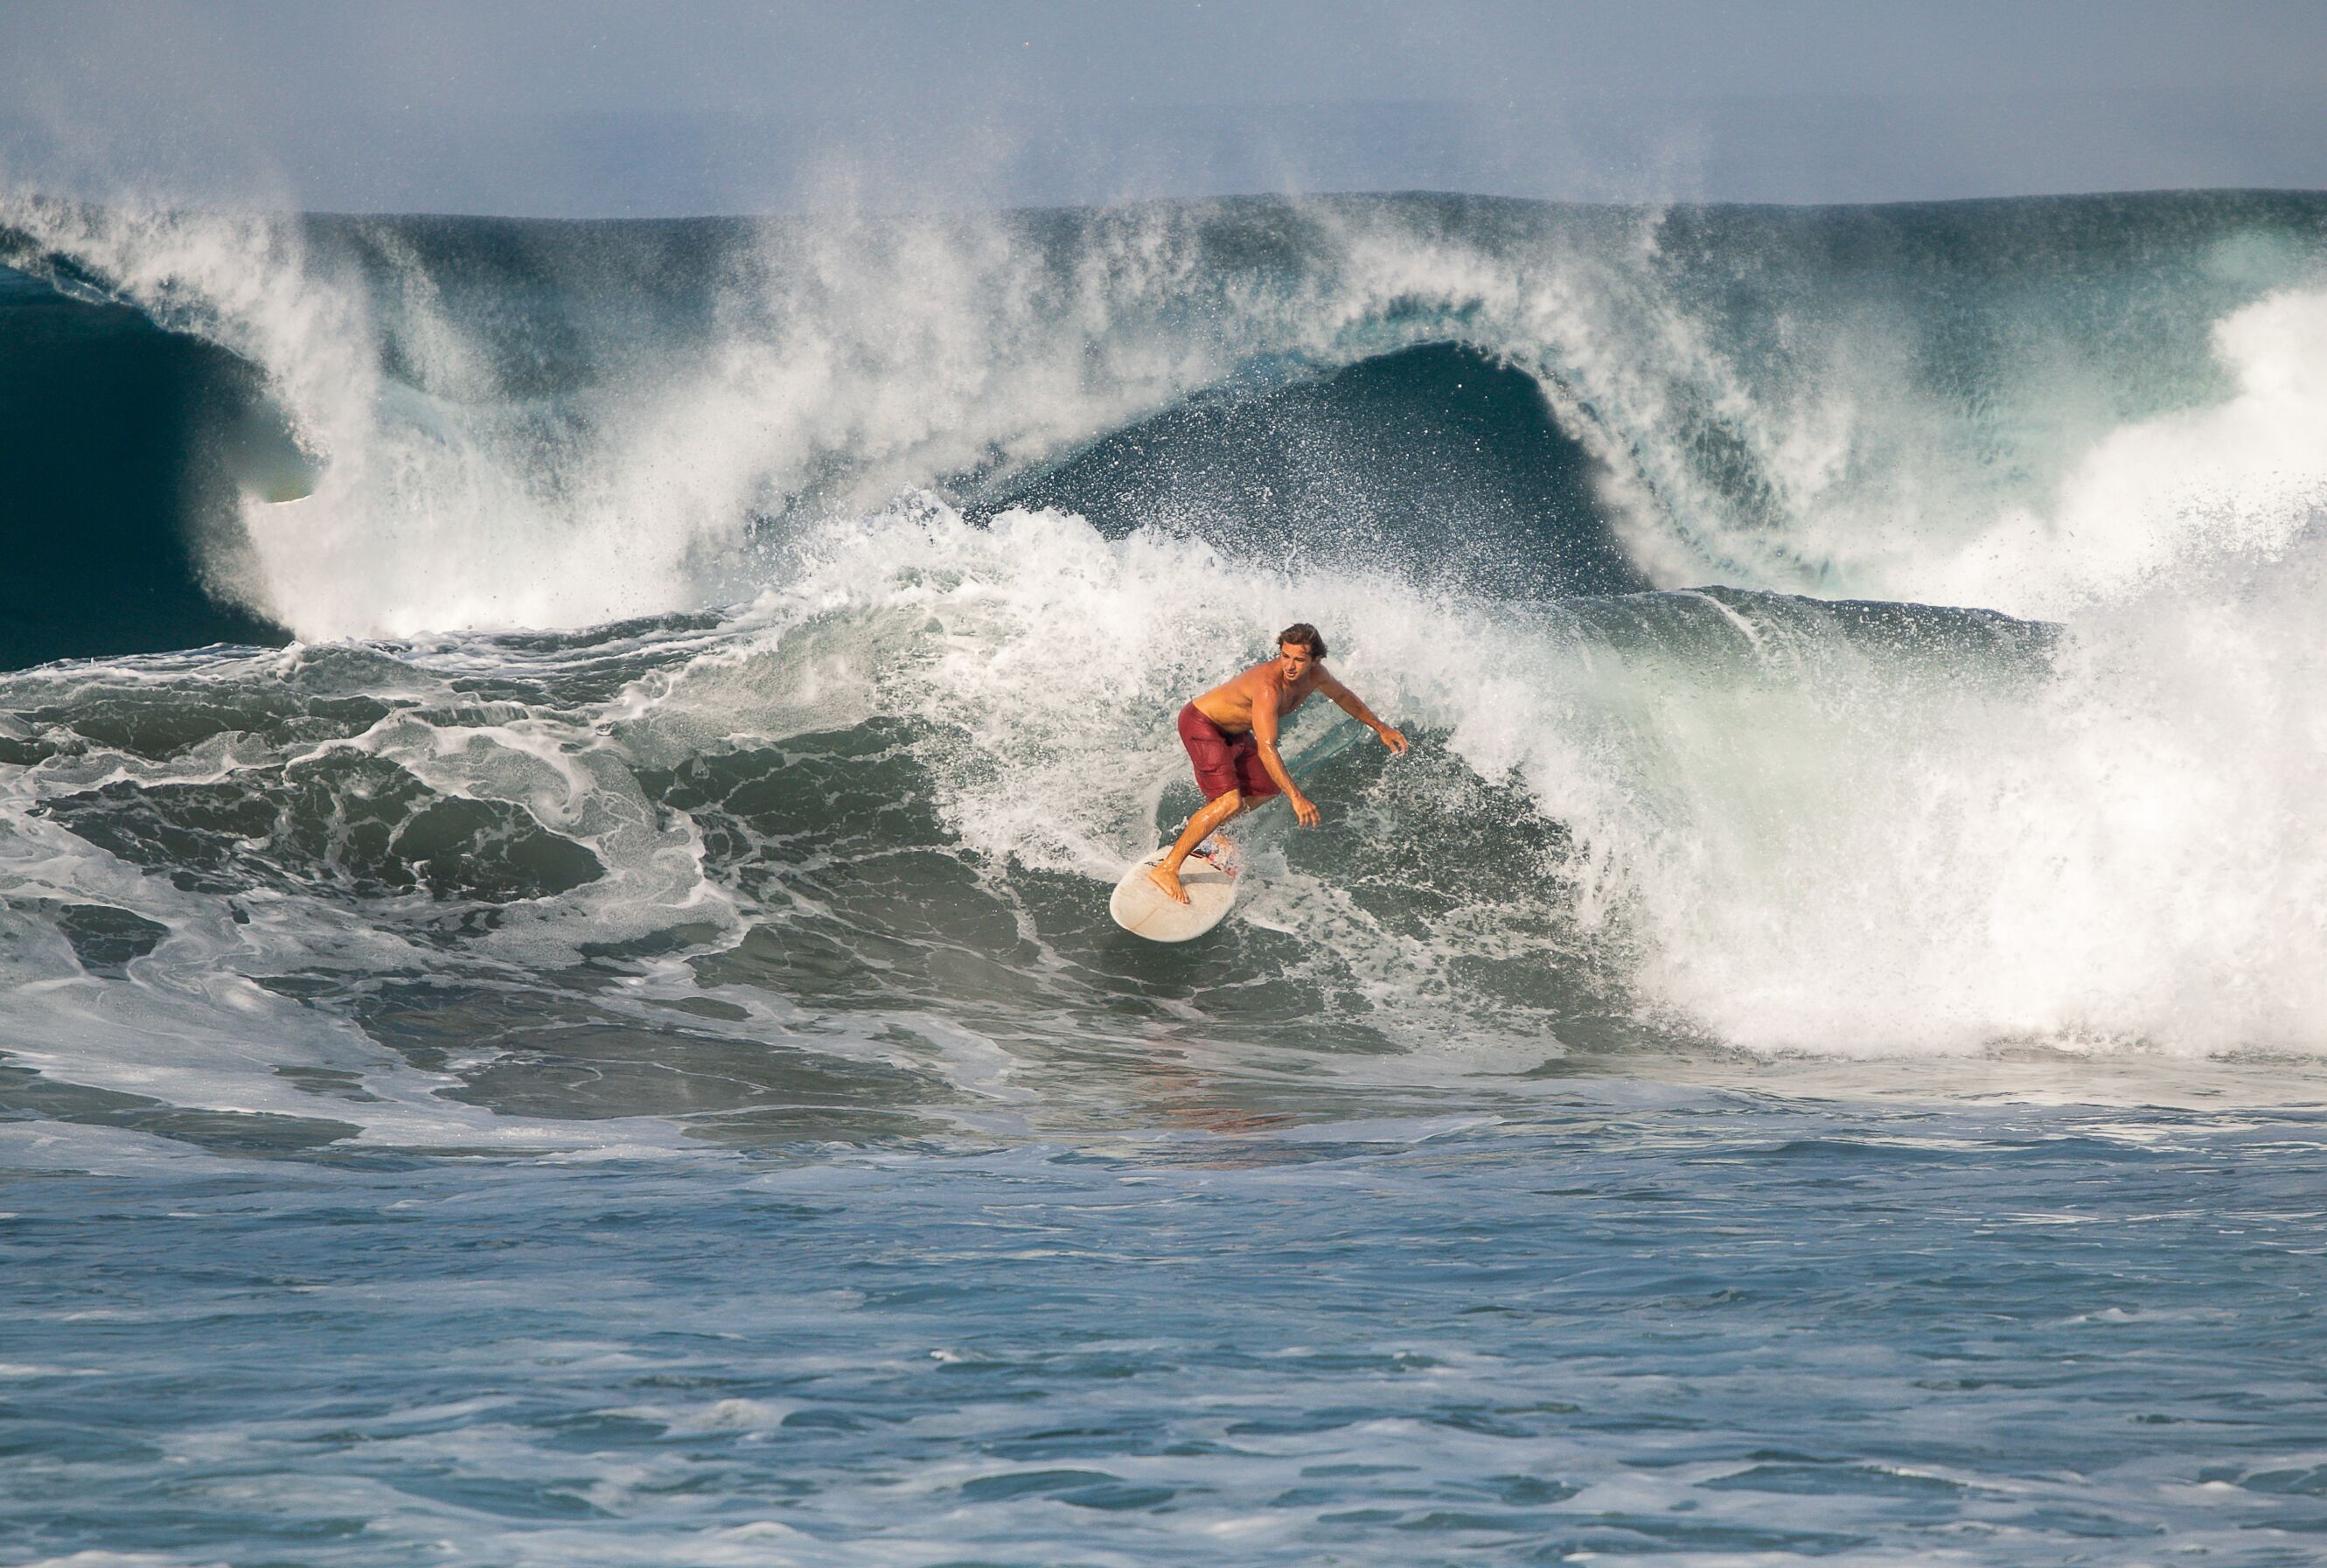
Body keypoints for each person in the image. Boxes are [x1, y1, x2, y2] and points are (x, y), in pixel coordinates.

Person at [1147, 622, 1408, 904]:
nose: (1290, 666)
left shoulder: (1317, 676)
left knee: (1265, 788)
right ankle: (1168, 868)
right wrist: (1296, 797)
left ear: (1315, 660)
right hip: (1202, 724)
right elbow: (1267, 747)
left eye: (1299, 659)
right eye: (1285, 656)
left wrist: (1380, 727)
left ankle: (1214, 829)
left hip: (1232, 731)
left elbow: (1343, 696)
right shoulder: (1269, 686)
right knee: (1229, 802)